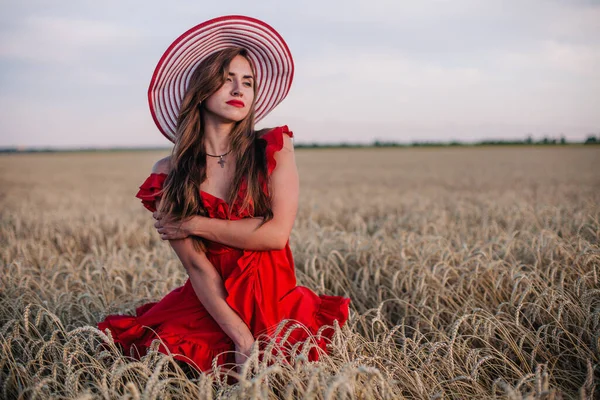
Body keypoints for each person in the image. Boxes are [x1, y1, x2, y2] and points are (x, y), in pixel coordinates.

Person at [97, 16, 351, 375]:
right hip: (214, 307)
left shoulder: (273, 148)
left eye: (247, 82)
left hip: (277, 302)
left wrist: (193, 223)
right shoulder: (168, 173)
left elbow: (276, 235)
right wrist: (242, 339)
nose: (239, 90)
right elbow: (198, 266)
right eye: (226, 79)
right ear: (201, 89)